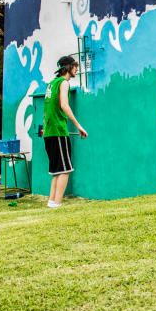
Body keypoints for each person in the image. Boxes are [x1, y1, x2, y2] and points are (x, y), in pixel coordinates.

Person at [42, 55, 88, 208]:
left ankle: (52, 202)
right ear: (68, 68)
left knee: (57, 170)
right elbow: (64, 105)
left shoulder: (51, 83)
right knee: (65, 170)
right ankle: (57, 204)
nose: (76, 69)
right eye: (75, 66)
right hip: (58, 131)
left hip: (49, 132)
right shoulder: (64, 83)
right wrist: (78, 125)